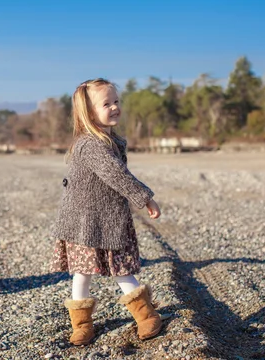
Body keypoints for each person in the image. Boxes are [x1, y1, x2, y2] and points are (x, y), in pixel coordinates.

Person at [51, 78, 162, 345]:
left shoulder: (108, 140)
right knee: (82, 273)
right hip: (82, 223)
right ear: (89, 112)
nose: (114, 108)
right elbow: (117, 176)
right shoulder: (90, 145)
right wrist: (145, 197)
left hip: (107, 220)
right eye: (106, 104)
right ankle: (81, 324)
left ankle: (146, 316)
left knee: (120, 268)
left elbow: (119, 174)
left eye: (116, 102)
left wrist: (140, 194)